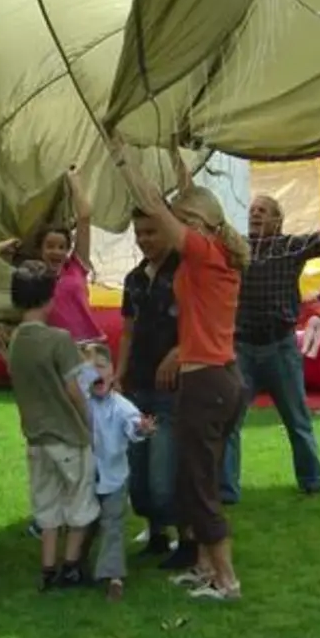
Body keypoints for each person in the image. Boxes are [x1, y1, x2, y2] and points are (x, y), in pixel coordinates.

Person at [109, 136, 247, 601]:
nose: (170, 230)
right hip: (221, 378)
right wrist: (174, 155)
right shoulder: (217, 251)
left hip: (205, 380)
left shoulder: (204, 254)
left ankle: (226, 581)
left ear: (197, 225)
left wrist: (123, 159)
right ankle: (207, 569)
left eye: (180, 222)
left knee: (200, 485)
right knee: (193, 479)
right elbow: (187, 200)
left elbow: (155, 203)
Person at [224, 164, 320, 502]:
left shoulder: (290, 247)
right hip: (243, 346)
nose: (255, 215)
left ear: (277, 221)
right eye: (252, 211)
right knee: (230, 422)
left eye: (262, 211)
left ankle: (312, 480)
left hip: (280, 347)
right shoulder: (238, 248)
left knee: (298, 420)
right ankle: (226, 490)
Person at [6, 260, 101, 591]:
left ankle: (48, 569)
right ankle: (72, 566)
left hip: (35, 436)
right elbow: (75, 390)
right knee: (79, 501)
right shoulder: (59, 339)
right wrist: (89, 422)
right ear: (50, 298)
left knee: (46, 505)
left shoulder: (15, 340)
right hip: (67, 434)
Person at [116, 207, 190, 567]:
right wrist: (118, 375)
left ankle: (187, 539)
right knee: (139, 477)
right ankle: (157, 534)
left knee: (164, 475)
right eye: (139, 233)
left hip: (171, 388)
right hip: (136, 386)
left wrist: (177, 352)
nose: (144, 239)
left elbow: (199, 322)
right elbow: (128, 331)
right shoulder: (133, 279)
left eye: (151, 232)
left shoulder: (186, 272)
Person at [79, 343, 156, 601]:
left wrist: (141, 429)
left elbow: (132, 425)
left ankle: (113, 577)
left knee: (112, 524)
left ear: (112, 373)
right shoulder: (80, 403)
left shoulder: (122, 406)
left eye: (102, 367)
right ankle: (75, 564)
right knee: (83, 523)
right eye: (89, 370)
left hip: (114, 479)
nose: (96, 374)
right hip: (85, 477)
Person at [36, 167, 105, 345]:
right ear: (40, 251)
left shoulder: (76, 268)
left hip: (89, 347)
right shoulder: (34, 280)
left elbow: (84, 217)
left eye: (61, 247)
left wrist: (74, 181)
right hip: (57, 352)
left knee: (89, 375)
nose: (56, 251)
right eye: (50, 246)